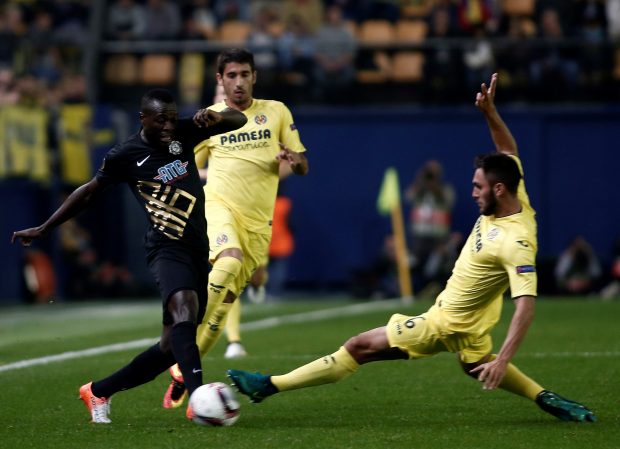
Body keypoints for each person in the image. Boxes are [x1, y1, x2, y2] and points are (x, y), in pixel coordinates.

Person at [227, 73, 597, 423]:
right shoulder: (516, 193)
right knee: (474, 364)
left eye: (477, 187)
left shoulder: (516, 241)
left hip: (446, 323)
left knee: (358, 347)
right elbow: (507, 149)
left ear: (498, 190)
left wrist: (505, 359)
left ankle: (268, 386)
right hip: (473, 320)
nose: (472, 192)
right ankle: (546, 398)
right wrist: (490, 113)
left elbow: (526, 306)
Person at [11, 89, 247, 424]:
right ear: (143, 119)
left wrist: (219, 117)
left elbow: (239, 119)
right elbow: (89, 192)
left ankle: (98, 391)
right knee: (185, 310)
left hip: (197, 248)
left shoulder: (185, 130)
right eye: (160, 118)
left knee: (169, 347)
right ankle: (198, 396)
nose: (167, 125)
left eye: (171, 116)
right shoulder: (125, 155)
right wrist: (46, 227)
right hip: (166, 248)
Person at [162, 48, 309, 408]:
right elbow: (183, 166)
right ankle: (182, 338)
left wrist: (294, 160)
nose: (239, 82)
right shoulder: (209, 120)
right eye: (231, 76)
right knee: (226, 261)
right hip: (219, 206)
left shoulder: (276, 111)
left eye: (245, 74)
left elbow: (304, 164)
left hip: (259, 223)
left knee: (223, 311)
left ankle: (182, 372)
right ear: (220, 80)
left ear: (254, 76)